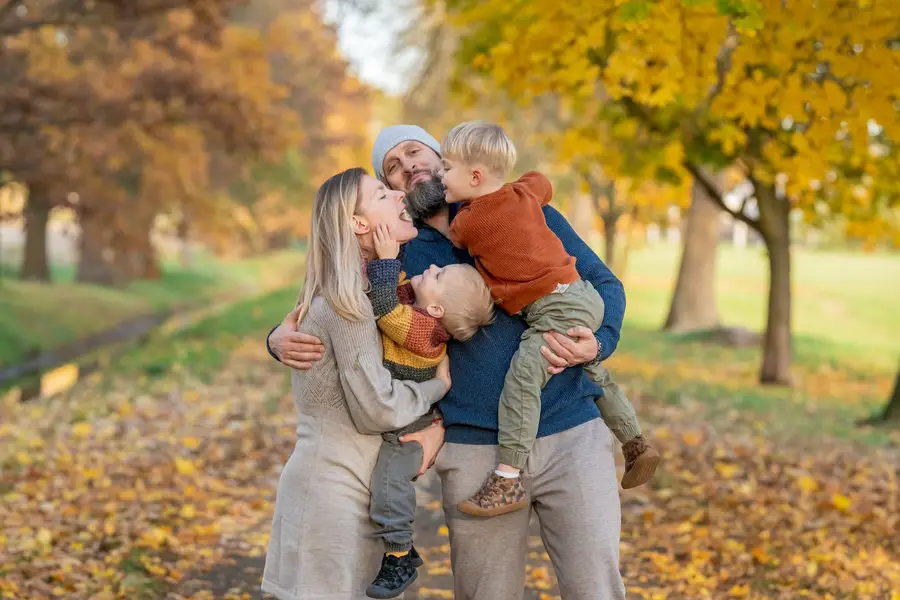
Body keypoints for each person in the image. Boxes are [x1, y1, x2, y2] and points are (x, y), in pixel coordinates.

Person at [268, 125, 628, 600]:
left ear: (446, 159)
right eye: (392, 167)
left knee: (596, 588)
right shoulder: (395, 250)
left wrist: (597, 343)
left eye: (414, 151)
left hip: (570, 430)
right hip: (473, 449)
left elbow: (605, 283)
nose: (408, 166)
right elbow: (332, 297)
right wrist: (277, 337)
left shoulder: (518, 207)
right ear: (391, 192)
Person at [439, 121, 659, 518]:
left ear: (474, 176)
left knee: (524, 378)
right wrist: (523, 187)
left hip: (552, 309)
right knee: (591, 370)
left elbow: (456, 238)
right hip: (579, 296)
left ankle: (507, 477)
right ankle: (635, 442)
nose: (440, 177)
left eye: (446, 168)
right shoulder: (524, 194)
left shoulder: (468, 222)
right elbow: (542, 182)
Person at [260, 168, 452, 600]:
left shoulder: (375, 293)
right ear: (358, 224)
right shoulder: (347, 304)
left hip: (361, 491)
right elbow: (378, 409)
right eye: (383, 194)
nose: (400, 197)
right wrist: (436, 388)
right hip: (331, 494)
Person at [364, 223, 494, 598]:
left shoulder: (425, 333)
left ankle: (399, 553)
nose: (432, 268)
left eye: (438, 274)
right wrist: (396, 251)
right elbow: (399, 287)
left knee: (389, 480)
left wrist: (387, 258)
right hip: (403, 412)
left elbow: (385, 306)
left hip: (411, 425)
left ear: (435, 309)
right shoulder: (420, 312)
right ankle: (399, 544)